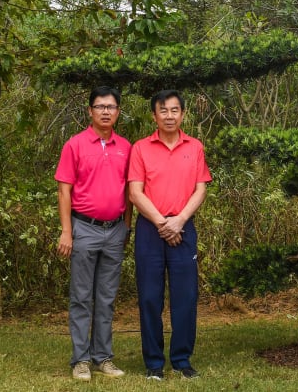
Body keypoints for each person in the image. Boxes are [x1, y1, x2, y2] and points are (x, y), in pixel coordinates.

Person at [128, 89, 212, 381]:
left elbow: (201, 188)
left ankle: (181, 360)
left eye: (174, 110)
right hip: (151, 229)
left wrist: (180, 221)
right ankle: (153, 363)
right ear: (154, 115)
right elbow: (135, 192)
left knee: (185, 297)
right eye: (163, 111)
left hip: (184, 229)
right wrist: (164, 223)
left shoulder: (195, 147)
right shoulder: (140, 148)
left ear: (183, 114)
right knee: (150, 297)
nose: (169, 116)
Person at [54, 86, 132, 381]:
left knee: (107, 297)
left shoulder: (126, 146)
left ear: (118, 112)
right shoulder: (74, 145)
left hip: (115, 231)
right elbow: (64, 190)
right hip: (83, 228)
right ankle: (81, 360)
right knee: (81, 297)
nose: (105, 111)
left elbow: (129, 191)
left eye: (111, 107)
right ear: (90, 111)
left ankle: (103, 357)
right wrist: (67, 232)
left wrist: (127, 225)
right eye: (99, 106)